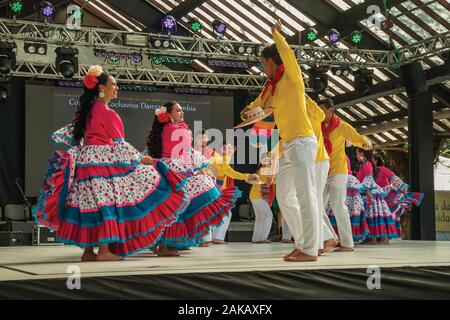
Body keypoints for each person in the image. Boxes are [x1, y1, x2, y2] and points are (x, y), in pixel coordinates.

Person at [33, 65, 187, 261]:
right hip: (103, 162)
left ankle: (88, 252)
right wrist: (140, 159)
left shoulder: (87, 112)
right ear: (101, 88)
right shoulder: (108, 113)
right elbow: (120, 145)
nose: (117, 87)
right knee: (108, 203)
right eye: (114, 84)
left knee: (89, 203)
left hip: (86, 161)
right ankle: (104, 251)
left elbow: (78, 136)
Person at [241, 19, 320, 262]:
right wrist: (247, 111)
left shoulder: (292, 77)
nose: (262, 67)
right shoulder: (271, 88)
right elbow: (256, 106)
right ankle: (302, 243)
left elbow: (286, 53)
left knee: (307, 196)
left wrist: (277, 34)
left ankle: (310, 249)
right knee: (285, 197)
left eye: (263, 62)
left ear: (271, 61)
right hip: (288, 145)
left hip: (303, 142)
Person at [145, 102, 243, 251]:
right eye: (178, 110)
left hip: (163, 168)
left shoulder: (163, 129)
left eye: (182, 110)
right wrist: (202, 170)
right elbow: (187, 153)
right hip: (177, 170)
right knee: (201, 199)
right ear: (169, 114)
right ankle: (166, 245)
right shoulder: (179, 130)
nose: (182, 112)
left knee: (167, 208)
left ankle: (159, 242)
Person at [319, 97, 372, 252]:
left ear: (330, 110)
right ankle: (330, 238)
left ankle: (347, 243)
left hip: (338, 171)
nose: (320, 113)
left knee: (338, 206)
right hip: (322, 171)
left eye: (322, 110)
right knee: (317, 206)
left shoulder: (342, 126)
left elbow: (357, 137)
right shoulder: (317, 126)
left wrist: (366, 142)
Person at [203, 141, 260, 245]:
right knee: (212, 212)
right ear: (219, 146)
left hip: (217, 187)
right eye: (225, 147)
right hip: (210, 186)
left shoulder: (219, 157)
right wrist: (229, 155)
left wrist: (246, 176)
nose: (227, 150)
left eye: (228, 148)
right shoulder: (214, 156)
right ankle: (208, 238)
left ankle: (214, 237)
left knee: (224, 212)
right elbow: (225, 170)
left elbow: (229, 172)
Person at [355, 148, 399, 244]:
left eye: (357, 153)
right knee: (375, 216)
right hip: (372, 193)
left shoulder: (367, 164)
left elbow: (368, 178)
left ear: (362, 153)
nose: (356, 156)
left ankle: (373, 239)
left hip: (370, 193)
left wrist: (368, 192)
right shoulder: (364, 165)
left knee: (372, 215)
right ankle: (379, 239)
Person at [372, 153, 424, 237]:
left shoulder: (382, 169)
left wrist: (402, 189)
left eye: (372, 159)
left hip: (388, 196)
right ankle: (380, 235)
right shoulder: (367, 170)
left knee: (389, 214)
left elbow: (393, 178)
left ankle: (386, 235)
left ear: (376, 161)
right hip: (377, 197)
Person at [327, 156, 369, 242]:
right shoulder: (353, 179)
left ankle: (339, 239)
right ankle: (347, 241)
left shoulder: (337, 155)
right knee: (345, 214)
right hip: (353, 202)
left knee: (337, 212)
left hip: (338, 176)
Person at [250, 156, 276, 243]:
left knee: (260, 217)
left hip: (255, 197)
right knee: (268, 216)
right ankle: (263, 238)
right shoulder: (265, 170)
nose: (267, 160)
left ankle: (256, 238)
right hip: (258, 197)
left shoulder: (261, 170)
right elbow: (271, 181)